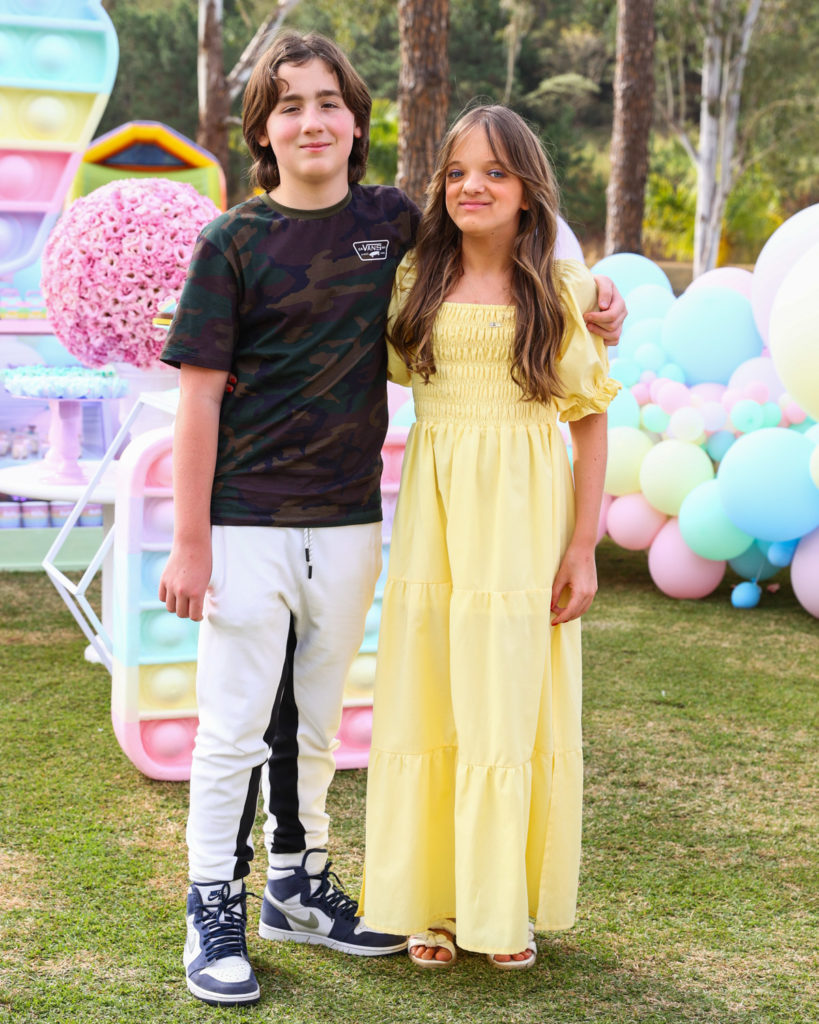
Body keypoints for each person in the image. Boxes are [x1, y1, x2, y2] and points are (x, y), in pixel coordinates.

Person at [159, 31, 625, 1007]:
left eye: (328, 101)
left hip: (352, 521)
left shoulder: (392, 228)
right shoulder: (232, 241)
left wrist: (596, 298)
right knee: (234, 725)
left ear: (357, 123)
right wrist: (190, 541)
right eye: (288, 105)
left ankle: (297, 885)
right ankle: (214, 903)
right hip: (247, 517)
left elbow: (509, 249)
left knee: (316, 723)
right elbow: (197, 395)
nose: (311, 120)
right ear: (261, 130)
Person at [360, 105, 620, 971]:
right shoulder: (412, 280)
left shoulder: (561, 289)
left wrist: (581, 547)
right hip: (435, 517)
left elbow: (589, 421)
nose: (472, 186)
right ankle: (430, 905)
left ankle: (502, 906)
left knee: (506, 702)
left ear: (527, 191)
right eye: (457, 171)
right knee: (432, 694)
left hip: (523, 520)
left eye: (495, 172)